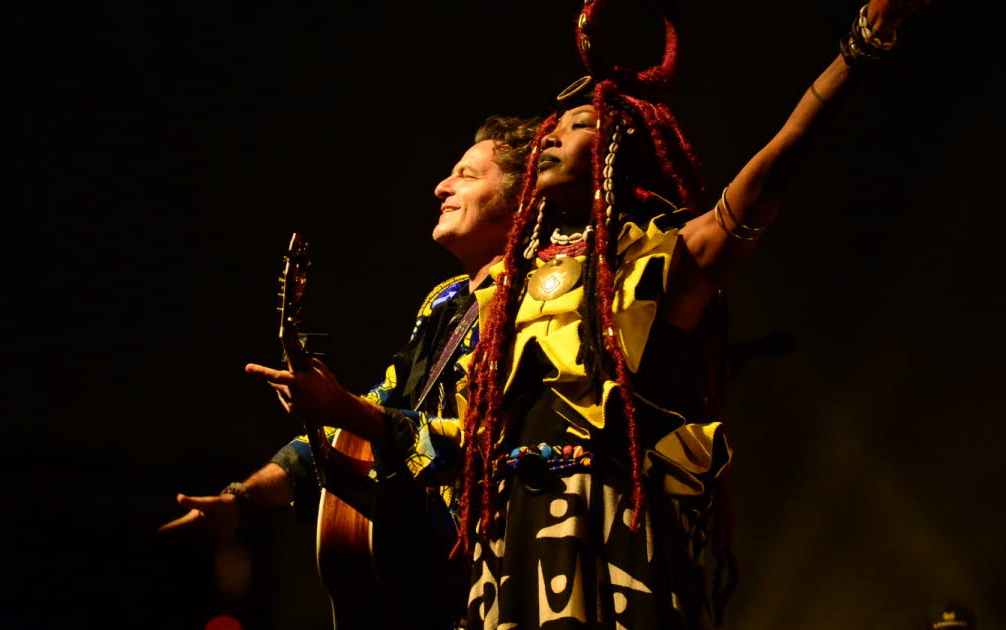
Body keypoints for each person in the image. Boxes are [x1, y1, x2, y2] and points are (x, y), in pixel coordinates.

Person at [393, 1, 935, 629]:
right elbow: (458, 431)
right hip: (507, 532)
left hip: (611, 516)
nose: (552, 138)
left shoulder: (661, 258)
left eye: (577, 127)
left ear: (622, 144)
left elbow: (782, 158)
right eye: (553, 129)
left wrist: (860, 48)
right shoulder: (503, 286)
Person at [159, 115, 541, 629]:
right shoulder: (446, 303)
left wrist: (343, 409)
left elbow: (484, 447)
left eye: (468, 175)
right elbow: (363, 421)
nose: (442, 186)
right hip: (430, 582)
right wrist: (240, 501)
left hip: (506, 569)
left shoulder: (541, 299)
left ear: (525, 197)